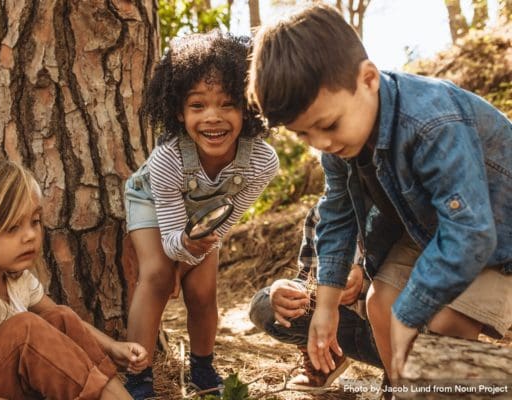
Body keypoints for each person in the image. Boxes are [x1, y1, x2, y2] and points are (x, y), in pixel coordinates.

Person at [247, 3, 512, 383]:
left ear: (368, 79)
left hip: (496, 234)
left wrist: (413, 308)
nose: (322, 143)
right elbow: (336, 214)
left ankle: (447, 388)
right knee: (380, 303)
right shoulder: (341, 139)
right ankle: (403, 387)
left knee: (443, 320)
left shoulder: (432, 123)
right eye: (304, 135)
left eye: (328, 125)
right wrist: (325, 307)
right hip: (433, 228)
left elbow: (472, 232)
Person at [0, 151, 148, 400]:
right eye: (12, 227)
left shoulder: (15, 278)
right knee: (25, 331)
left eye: (35, 221)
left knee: (59, 317)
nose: (30, 236)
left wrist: (112, 347)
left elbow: (66, 324)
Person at [124, 30, 279, 399]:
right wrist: (177, 261)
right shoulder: (167, 160)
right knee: (158, 276)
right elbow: (173, 237)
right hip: (152, 205)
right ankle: (139, 375)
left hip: (206, 221)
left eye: (227, 104)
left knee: (203, 291)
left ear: (248, 106)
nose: (213, 117)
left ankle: (203, 368)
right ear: (179, 110)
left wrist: (190, 259)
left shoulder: (261, 161)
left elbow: (224, 221)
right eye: (198, 106)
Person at [249, 206, 383, 388]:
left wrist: (365, 278)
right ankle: (324, 356)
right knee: (263, 306)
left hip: (391, 329)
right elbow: (307, 278)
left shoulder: (397, 208)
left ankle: (400, 373)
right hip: (341, 323)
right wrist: (286, 290)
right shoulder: (320, 215)